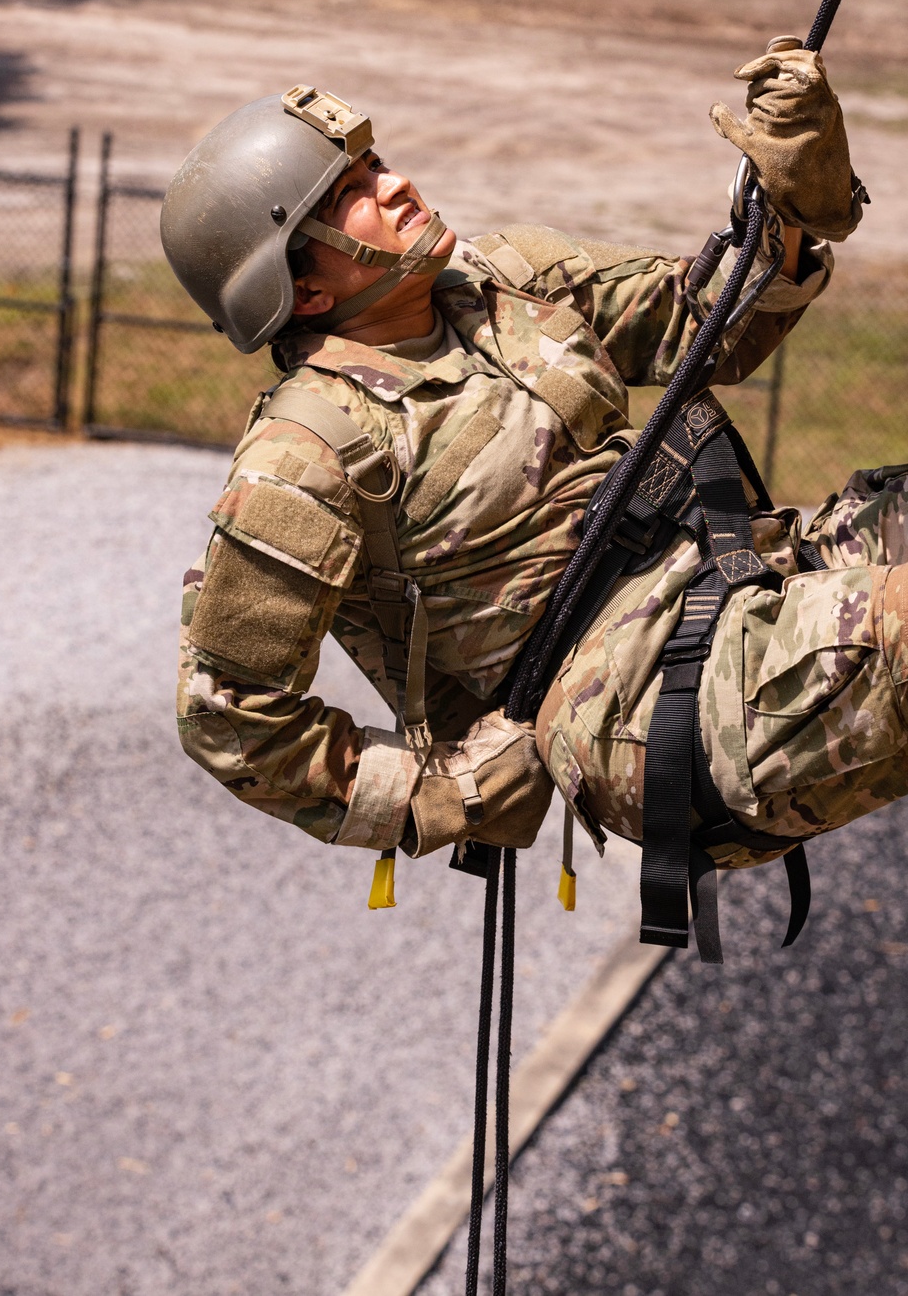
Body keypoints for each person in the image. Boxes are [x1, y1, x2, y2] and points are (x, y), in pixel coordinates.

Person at [162, 50, 903, 914]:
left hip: (749, 576)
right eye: (348, 197)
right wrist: (438, 796)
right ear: (303, 286)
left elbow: (705, 325)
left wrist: (795, 201)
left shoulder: (501, 278)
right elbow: (227, 712)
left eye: (373, 165)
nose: (397, 185)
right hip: (655, 708)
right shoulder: (307, 454)